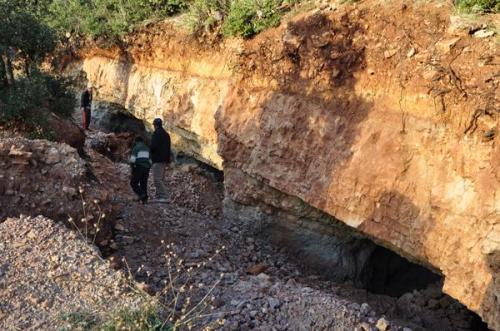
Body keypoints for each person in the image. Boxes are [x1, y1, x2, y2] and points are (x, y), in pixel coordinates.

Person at [150, 118, 171, 202]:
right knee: (160, 178)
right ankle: (159, 196)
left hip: (158, 159)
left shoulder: (156, 134)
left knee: (157, 179)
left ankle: (164, 196)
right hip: (164, 159)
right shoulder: (166, 134)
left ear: (155, 125)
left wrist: (150, 152)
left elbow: (153, 146)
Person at [129, 136, 151, 204]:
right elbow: (150, 161)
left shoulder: (136, 148)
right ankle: (145, 200)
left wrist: (132, 167)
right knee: (143, 183)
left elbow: (132, 159)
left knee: (133, 183)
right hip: (146, 168)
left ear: (136, 141)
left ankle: (141, 195)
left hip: (139, 167)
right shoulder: (147, 148)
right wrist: (148, 167)